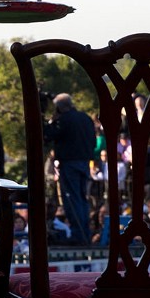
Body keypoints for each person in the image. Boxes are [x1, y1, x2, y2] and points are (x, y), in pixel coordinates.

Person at [44, 92, 99, 247]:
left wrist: (51, 122)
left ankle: (78, 234)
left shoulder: (64, 120)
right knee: (82, 199)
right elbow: (93, 141)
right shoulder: (85, 118)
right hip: (84, 163)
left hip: (69, 163)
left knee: (72, 200)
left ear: (60, 108)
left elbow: (47, 135)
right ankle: (85, 234)